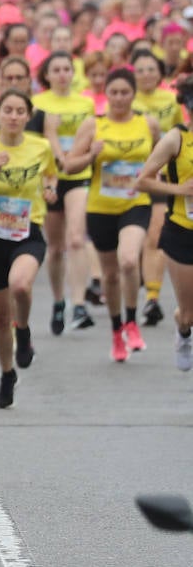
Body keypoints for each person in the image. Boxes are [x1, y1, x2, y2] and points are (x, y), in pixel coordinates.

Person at [0, 90, 58, 408]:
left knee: (21, 284)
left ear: (28, 116)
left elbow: (50, 176)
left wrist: (50, 189)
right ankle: (7, 373)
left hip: (28, 231)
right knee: (0, 318)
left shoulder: (40, 147)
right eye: (8, 110)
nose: (14, 116)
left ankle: (26, 329)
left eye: (20, 111)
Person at [65, 69, 159, 362]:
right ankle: (117, 330)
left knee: (129, 260)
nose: (119, 98)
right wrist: (91, 155)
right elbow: (69, 166)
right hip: (101, 207)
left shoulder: (148, 124)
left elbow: (161, 158)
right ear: (107, 95)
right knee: (109, 275)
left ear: (133, 94)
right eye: (114, 93)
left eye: (125, 92)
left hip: (136, 203)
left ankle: (132, 321)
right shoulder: (93, 125)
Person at [34, 52, 98, 336]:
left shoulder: (85, 103)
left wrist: (74, 158)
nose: (62, 74)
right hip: (49, 178)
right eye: (56, 70)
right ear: (47, 75)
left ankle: (79, 304)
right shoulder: (38, 104)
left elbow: (90, 137)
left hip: (78, 176)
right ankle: (59, 300)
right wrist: (57, 151)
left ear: (74, 73)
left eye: (66, 69)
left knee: (76, 238)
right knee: (56, 246)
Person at [135, 74, 193, 370]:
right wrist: (178, 190)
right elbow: (142, 182)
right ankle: (183, 330)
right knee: (189, 312)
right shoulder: (176, 139)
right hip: (183, 231)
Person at [131, 49, 179, 326]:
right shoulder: (126, 98)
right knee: (131, 240)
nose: (147, 74)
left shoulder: (171, 100)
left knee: (155, 233)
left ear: (160, 73)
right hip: (126, 178)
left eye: (152, 69)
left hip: (160, 174)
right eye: (140, 70)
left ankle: (152, 297)